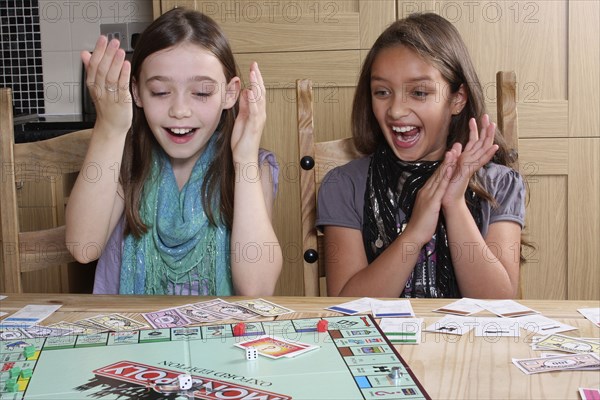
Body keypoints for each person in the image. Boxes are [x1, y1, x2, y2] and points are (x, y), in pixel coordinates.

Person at [65, 8, 282, 296]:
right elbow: (83, 248)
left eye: (202, 92)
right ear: (137, 93)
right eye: (160, 92)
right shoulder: (125, 160)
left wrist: (243, 160)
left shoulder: (254, 167)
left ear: (230, 94)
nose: (180, 110)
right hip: (132, 335)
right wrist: (110, 128)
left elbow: (257, 289)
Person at [316, 13, 526, 299]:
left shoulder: (500, 184)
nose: (396, 110)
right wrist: (414, 233)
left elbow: (498, 305)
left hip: (469, 344)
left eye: (418, 92)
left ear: (457, 99)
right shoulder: (344, 185)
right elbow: (348, 307)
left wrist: (454, 204)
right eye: (382, 92)